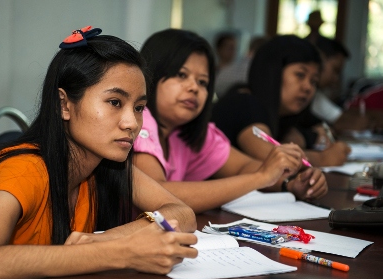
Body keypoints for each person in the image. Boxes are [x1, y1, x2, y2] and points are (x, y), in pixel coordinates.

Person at [0, 26, 198, 279]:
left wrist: (110, 239)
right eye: (115, 102)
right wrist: (119, 252)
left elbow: (182, 212)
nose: (131, 123)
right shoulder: (25, 170)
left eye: (139, 107)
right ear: (64, 105)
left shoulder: (106, 164)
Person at [133, 28, 328, 214]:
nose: (194, 87)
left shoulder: (189, 132)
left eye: (203, 82)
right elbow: (159, 194)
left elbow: (243, 167)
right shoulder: (141, 120)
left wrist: (291, 182)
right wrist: (260, 178)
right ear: (151, 75)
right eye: (182, 75)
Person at [211, 35, 351, 167]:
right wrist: (323, 159)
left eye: (313, 81)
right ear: (273, 73)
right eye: (300, 75)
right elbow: (272, 159)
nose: (308, 87)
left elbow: (323, 131)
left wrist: (308, 137)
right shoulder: (244, 103)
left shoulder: (284, 114)